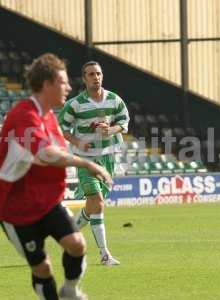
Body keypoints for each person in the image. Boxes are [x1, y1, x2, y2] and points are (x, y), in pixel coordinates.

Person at [0, 53, 112, 300]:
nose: (68, 87)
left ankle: (70, 290)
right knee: (42, 267)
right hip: (13, 206)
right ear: (47, 84)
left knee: (77, 245)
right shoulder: (24, 114)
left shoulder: (49, 117)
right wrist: (87, 163)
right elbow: (47, 153)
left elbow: (56, 153)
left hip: (44, 199)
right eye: (63, 82)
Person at [58, 61, 130, 266]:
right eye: (91, 74)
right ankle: (104, 254)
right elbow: (61, 128)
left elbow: (124, 123)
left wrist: (111, 130)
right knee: (97, 202)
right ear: (84, 78)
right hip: (85, 159)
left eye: (98, 73)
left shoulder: (114, 100)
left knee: (93, 206)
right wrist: (77, 141)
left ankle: (69, 231)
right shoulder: (75, 104)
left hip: (108, 157)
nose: (95, 77)